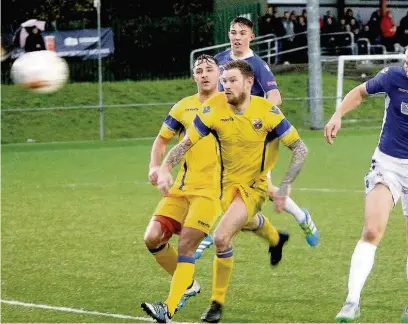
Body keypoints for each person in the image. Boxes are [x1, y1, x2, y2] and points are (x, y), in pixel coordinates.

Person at [144, 60, 308, 323]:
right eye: (226, 81)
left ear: (248, 83)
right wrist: (164, 167)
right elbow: (184, 144)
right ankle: (277, 239)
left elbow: (300, 149)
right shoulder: (210, 110)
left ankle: (197, 305)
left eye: (231, 80)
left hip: (253, 187)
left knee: (219, 237)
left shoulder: (267, 111)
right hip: (223, 186)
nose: (226, 85)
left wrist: (286, 185)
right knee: (243, 223)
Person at [213, 16, 319, 247]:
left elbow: (275, 97)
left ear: (251, 37)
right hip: (226, 137)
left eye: (242, 33)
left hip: (256, 138)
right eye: (233, 32)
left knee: (261, 187)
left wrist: (253, 114)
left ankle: (300, 217)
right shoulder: (219, 60)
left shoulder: (257, 65)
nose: (237, 37)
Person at [324, 48, 408, 322]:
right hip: (388, 164)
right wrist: (337, 115)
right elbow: (360, 92)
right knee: (372, 230)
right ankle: (352, 301)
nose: (407, 66)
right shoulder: (392, 76)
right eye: (407, 60)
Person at [142, 54, 221, 319]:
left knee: (187, 244)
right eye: (199, 70)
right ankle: (187, 283)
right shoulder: (183, 107)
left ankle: (168, 306)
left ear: (219, 74)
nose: (204, 74)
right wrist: (155, 167)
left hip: (211, 192)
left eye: (209, 69)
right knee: (152, 237)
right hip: (181, 188)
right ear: (194, 77)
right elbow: (161, 140)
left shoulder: (230, 106)